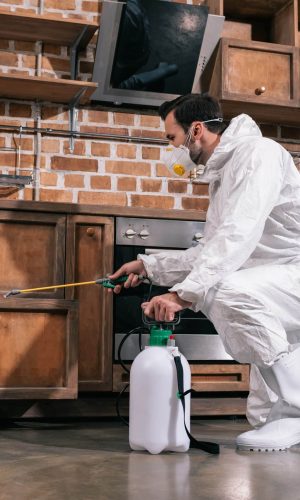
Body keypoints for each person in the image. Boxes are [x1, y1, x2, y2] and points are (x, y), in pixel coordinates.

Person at [109, 93, 300, 452]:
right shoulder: (224, 175)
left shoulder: (257, 154)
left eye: (171, 138)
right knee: (263, 418)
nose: (171, 149)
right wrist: (149, 266)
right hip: (270, 286)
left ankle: (298, 405)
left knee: (221, 289)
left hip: (290, 276)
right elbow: (212, 249)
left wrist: (182, 295)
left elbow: (237, 234)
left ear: (196, 130)